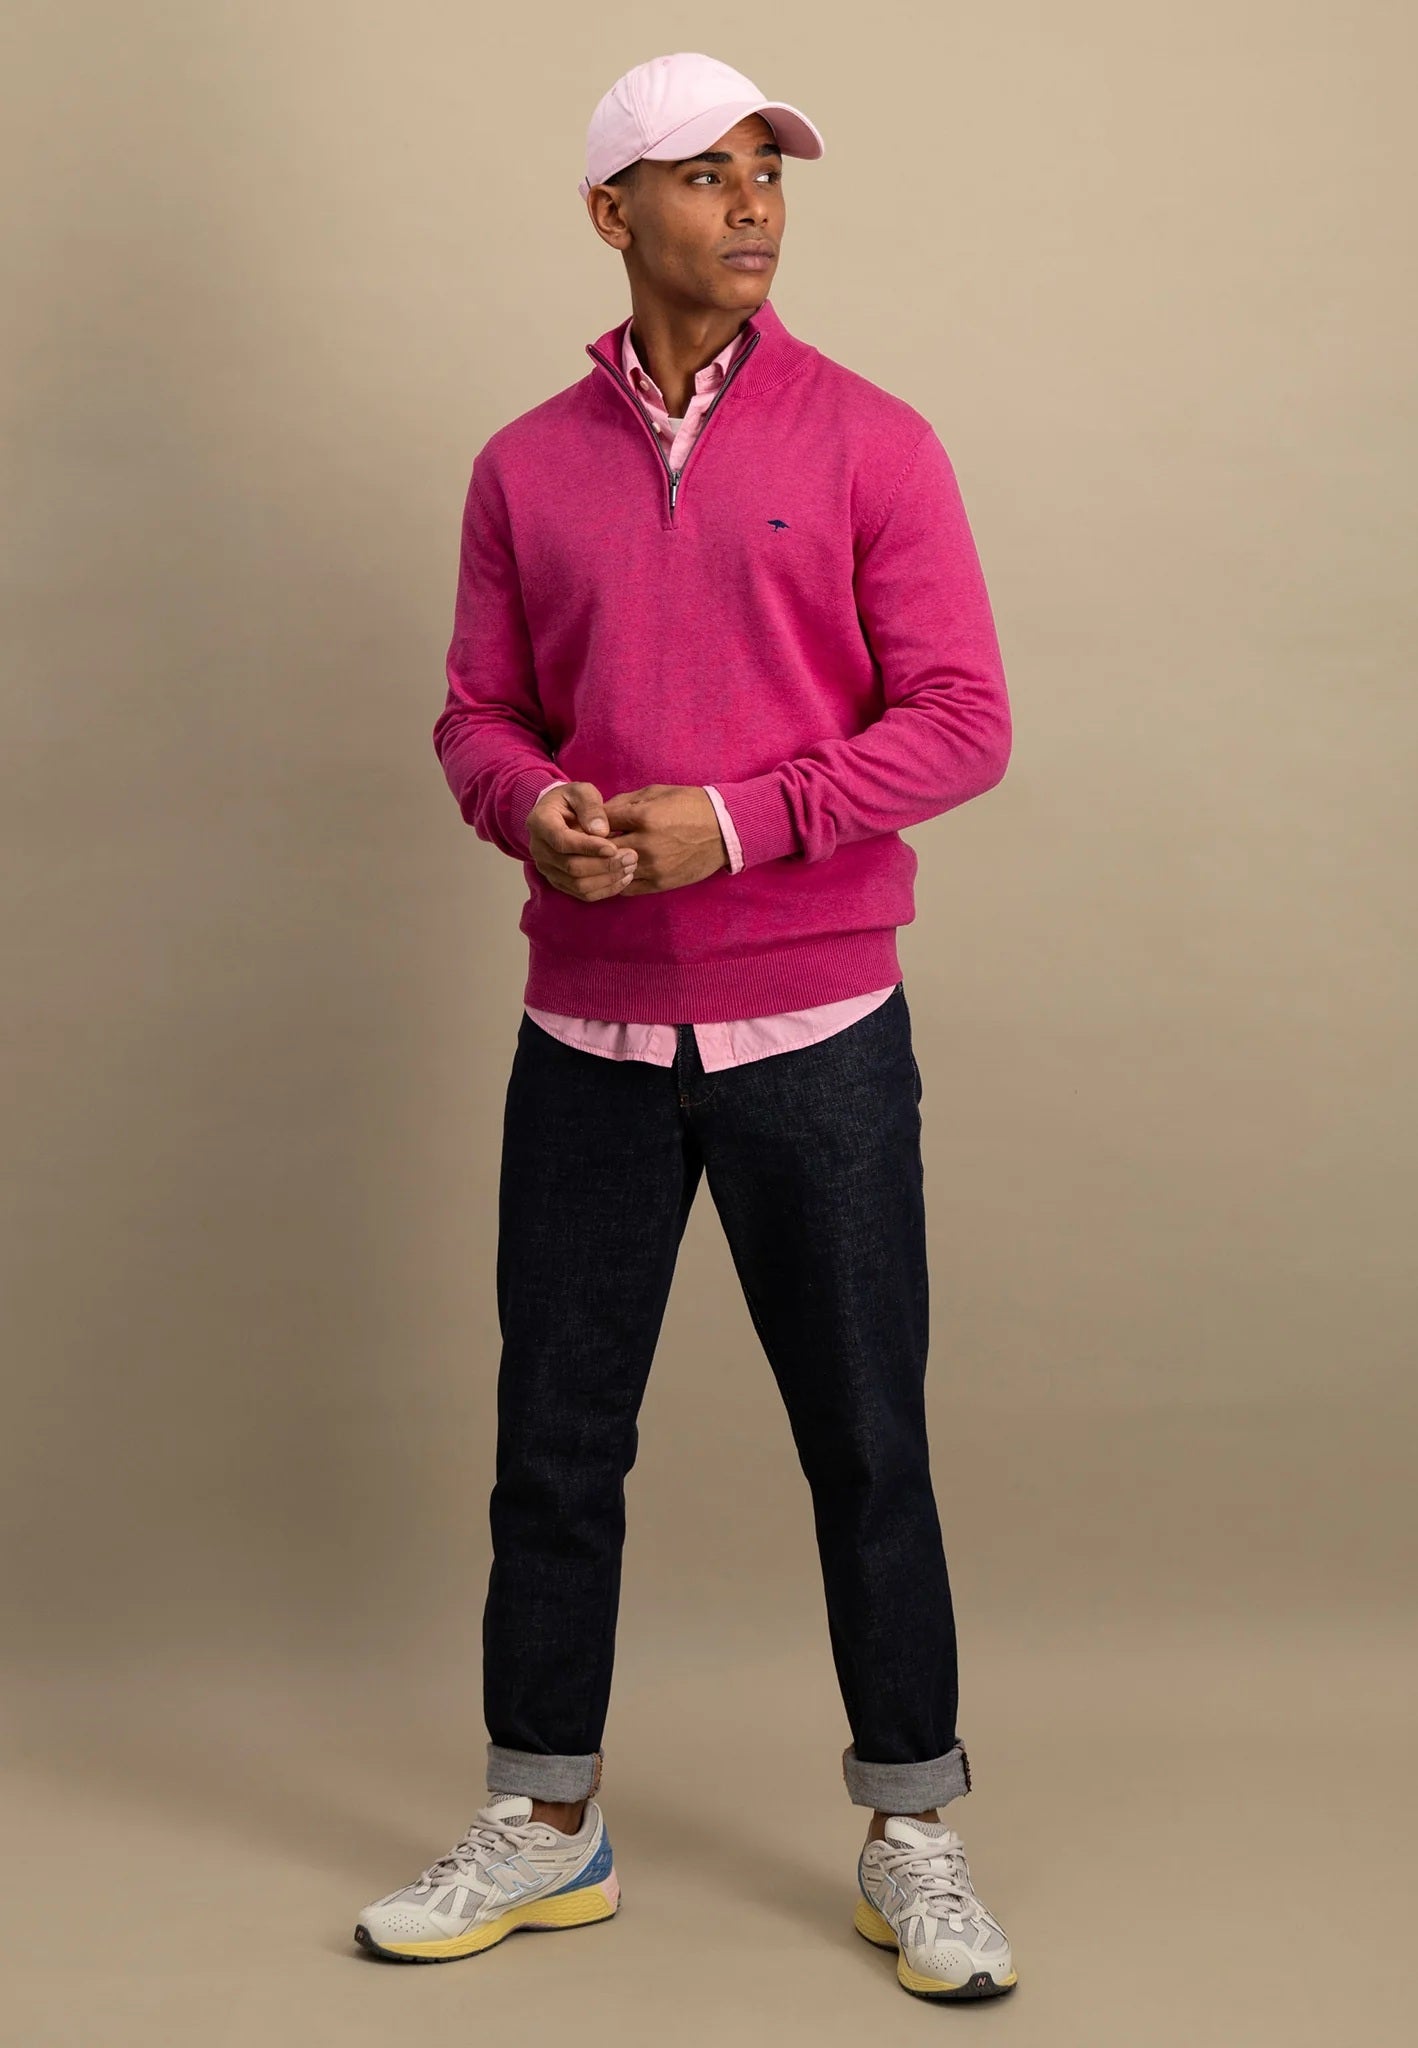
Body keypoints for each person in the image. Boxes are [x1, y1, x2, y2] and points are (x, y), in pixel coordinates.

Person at [354, 51, 1017, 2002]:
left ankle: (912, 1829)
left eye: (765, 173)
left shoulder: (876, 442)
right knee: (552, 1450)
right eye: (702, 174)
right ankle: (544, 1820)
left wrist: (733, 822)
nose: (749, 205)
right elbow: (478, 713)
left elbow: (962, 721)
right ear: (609, 212)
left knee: (866, 1441)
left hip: (820, 1028)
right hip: (586, 1042)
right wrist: (528, 808)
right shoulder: (520, 467)